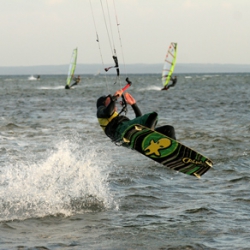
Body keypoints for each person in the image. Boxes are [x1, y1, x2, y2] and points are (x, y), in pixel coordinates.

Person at [96, 89, 176, 143]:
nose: (113, 103)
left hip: (128, 132)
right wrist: (114, 97)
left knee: (169, 129)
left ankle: (175, 151)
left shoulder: (115, 116)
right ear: (102, 104)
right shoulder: (100, 111)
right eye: (108, 100)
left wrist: (133, 104)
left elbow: (140, 121)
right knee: (152, 115)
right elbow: (108, 112)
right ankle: (147, 138)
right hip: (121, 133)